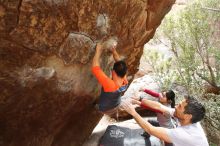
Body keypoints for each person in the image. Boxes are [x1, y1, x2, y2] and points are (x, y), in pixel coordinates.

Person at [122, 95, 209, 146]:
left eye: (180, 106)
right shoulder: (188, 119)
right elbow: (159, 106)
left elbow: (151, 129)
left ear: (187, 116)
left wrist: (133, 113)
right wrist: (140, 99)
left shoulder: (185, 135)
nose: (175, 106)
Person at [92, 42, 128, 115]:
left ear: (113, 72)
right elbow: (119, 61)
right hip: (117, 104)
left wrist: (98, 51)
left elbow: (95, 68)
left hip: (105, 110)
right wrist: (114, 51)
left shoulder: (110, 85)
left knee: (96, 106)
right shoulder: (124, 80)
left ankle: (97, 107)